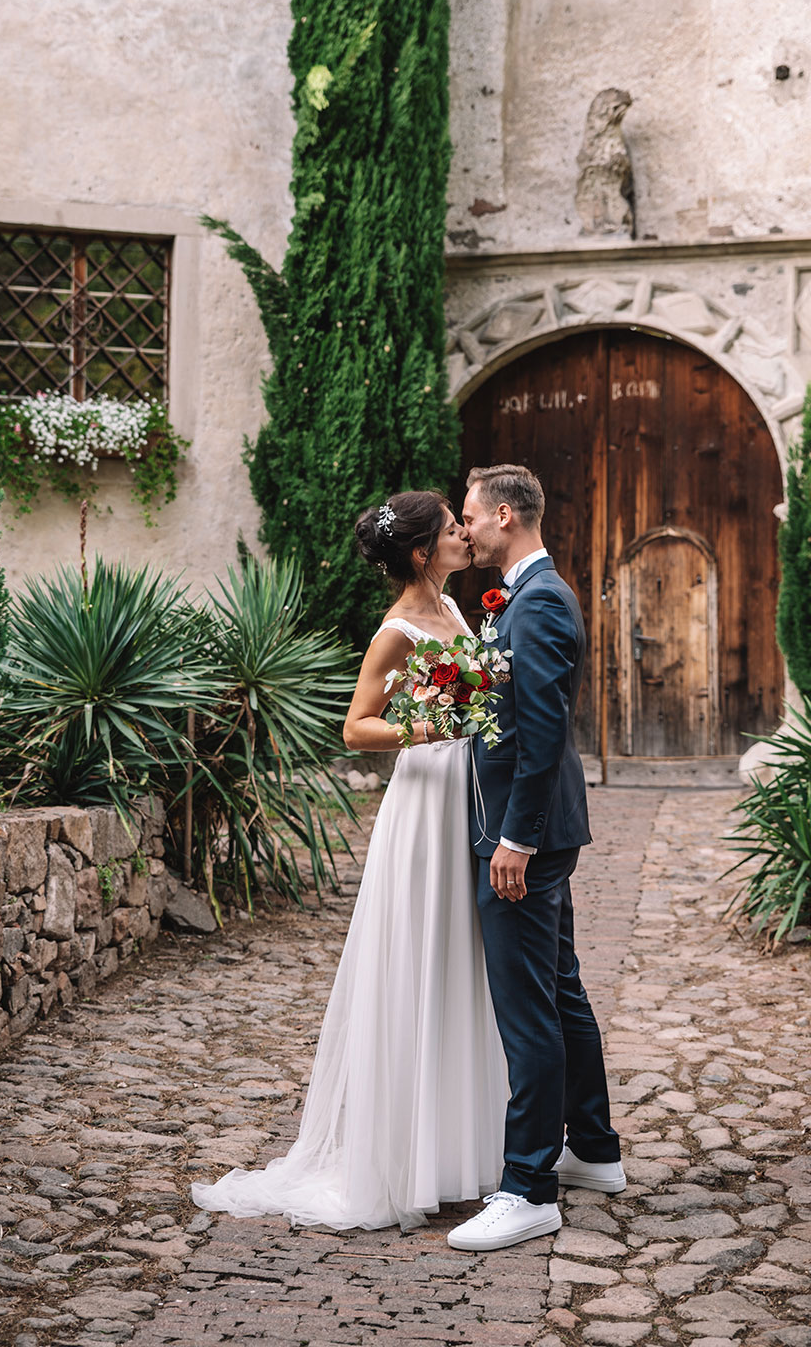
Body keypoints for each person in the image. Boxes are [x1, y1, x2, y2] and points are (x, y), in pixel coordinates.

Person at [190, 490, 508, 1231]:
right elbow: (356, 728)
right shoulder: (396, 630)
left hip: (462, 791)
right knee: (422, 957)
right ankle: (405, 1159)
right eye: (453, 530)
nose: (466, 535)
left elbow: (471, 693)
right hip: (424, 799)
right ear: (424, 553)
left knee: (463, 961)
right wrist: (433, 727)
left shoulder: (457, 610)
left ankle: (461, 1151)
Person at [447, 463, 625, 1253]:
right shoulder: (524, 597)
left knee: (528, 1011)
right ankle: (593, 1149)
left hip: (528, 834)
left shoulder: (541, 601)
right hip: (540, 829)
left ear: (508, 516)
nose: (467, 528)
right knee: (559, 988)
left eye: (472, 516)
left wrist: (514, 838)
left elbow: (543, 730)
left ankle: (528, 1188)